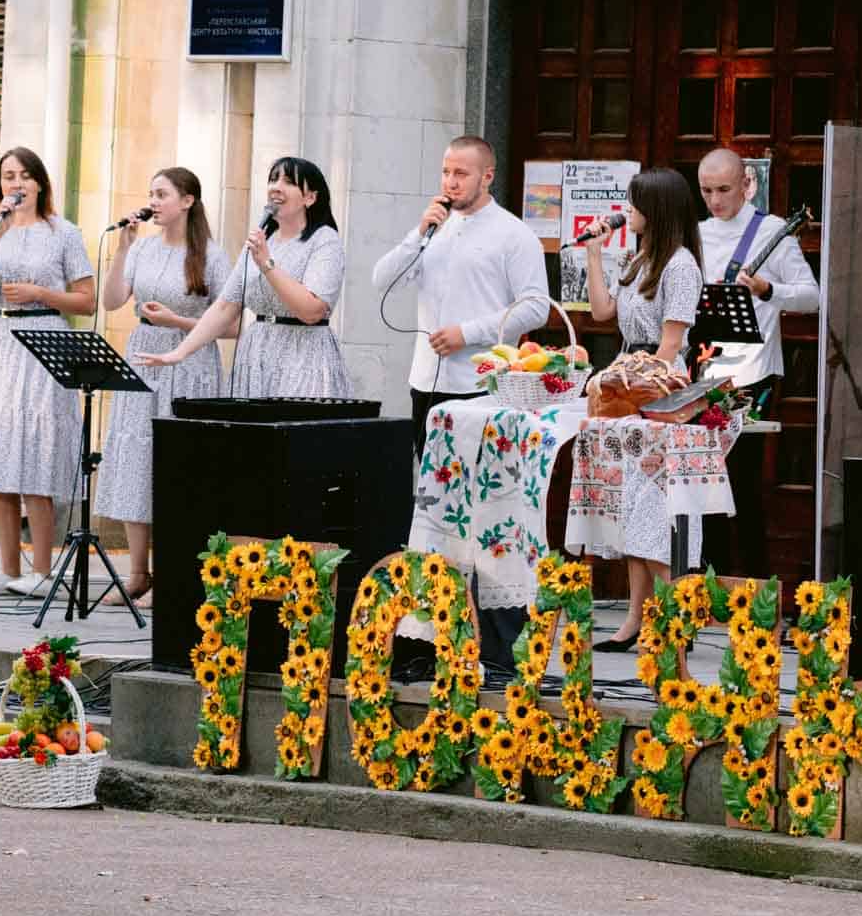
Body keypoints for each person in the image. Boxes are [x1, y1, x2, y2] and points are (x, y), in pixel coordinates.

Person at [0, 147, 97, 598]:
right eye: (8, 176)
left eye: (25, 176)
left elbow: (86, 300)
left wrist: (40, 292)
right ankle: (6, 568)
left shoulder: (63, 233)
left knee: (35, 457)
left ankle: (43, 570)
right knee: (0, 454)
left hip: (43, 341)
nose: (16, 184)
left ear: (40, 183)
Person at [580, 169, 706, 652]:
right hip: (627, 376)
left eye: (633, 204)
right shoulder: (638, 260)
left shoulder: (680, 267)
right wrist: (595, 252)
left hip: (658, 388)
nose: (626, 212)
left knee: (656, 511)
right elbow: (600, 313)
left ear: (655, 210)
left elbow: (671, 345)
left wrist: (636, 385)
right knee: (631, 508)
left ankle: (675, 617)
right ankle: (636, 618)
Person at [97, 168, 234, 608]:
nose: (153, 202)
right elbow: (113, 300)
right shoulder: (144, 248)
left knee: (177, 465)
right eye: (151, 194)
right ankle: (137, 574)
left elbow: (230, 326)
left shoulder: (210, 254)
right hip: (143, 355)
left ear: (187, 201)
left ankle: (174, 575)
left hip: (189, 361)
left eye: (162, 194)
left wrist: (176, 322)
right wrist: (122, 248)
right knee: (137, 458)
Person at [371, 136, 550, 456]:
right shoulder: (433, 230)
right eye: (445, 172)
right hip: (426, 383)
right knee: (429, 483)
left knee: (474, 488)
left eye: (461, 174)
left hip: (479, 385)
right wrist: (419, 232)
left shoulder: (514, 234)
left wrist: (466, 334)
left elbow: (536, 308)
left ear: (488, 176)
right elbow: (383, 280)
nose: (450, 183)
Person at [695, 147, 820, 579]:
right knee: (705, 479)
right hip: (703, 370)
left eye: (724, 189)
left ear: (746, 185)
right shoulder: (696, 235)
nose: (715, 200)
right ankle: (711, 580)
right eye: (707, 190)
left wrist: (769, 291)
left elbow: (812, 296)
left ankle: (751, 582)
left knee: (743, 480)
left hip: (755, 372)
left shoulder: (772, 232)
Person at [134, 156, 352, 398]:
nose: (276, 187)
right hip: (255, 357)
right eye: (272, 179)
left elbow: (312, 311)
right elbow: (225, 306)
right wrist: (179, 353)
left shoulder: (324, 240)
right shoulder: (261, 241)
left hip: (303, 358)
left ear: (310, 197)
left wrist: (267, 265)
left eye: (288, 181)